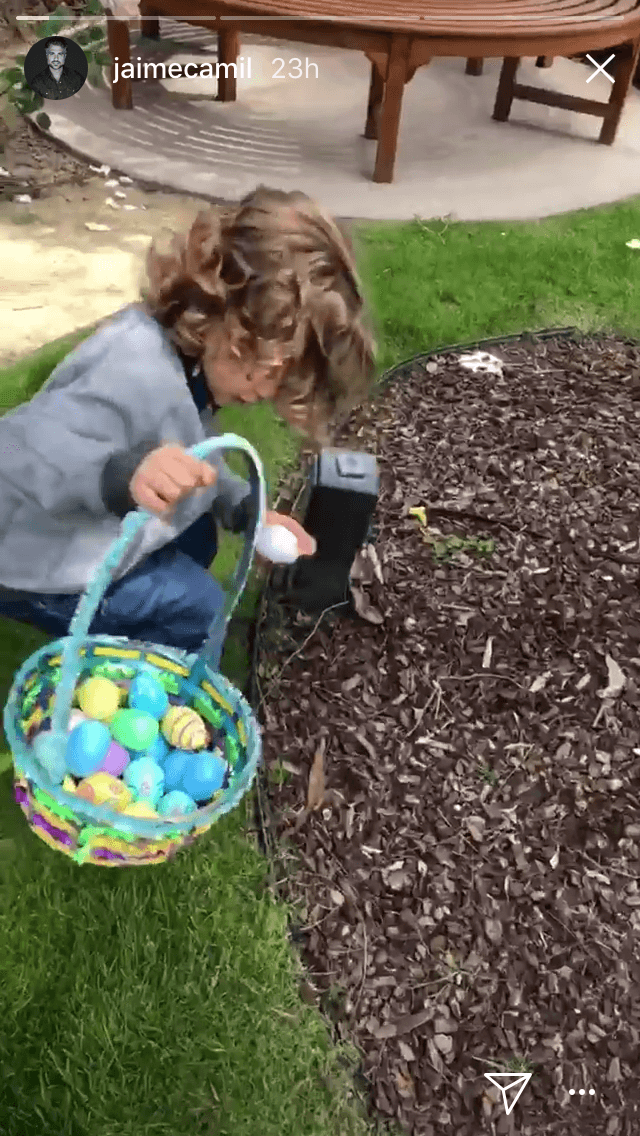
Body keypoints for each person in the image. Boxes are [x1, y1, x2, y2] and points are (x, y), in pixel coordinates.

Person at [0, 186, 376, 657]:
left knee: (196, 536)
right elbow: (15, 449)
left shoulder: (191, 363)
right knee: (196, 607)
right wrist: (120, 473)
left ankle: (139, 660)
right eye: (262, 367)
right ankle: (178, 717)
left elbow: (195, 452)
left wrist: (247, 511)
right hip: (40, 567)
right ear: (221, 313)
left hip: (75, 540)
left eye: (282, 379)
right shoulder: (132, 366)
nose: (263, 391)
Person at [28, 36, 86, 101]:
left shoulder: (77, 79)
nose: (56, 58)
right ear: (47, 55)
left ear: (65, 55)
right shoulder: (37, 82)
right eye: (52, 54)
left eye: (60, 54)